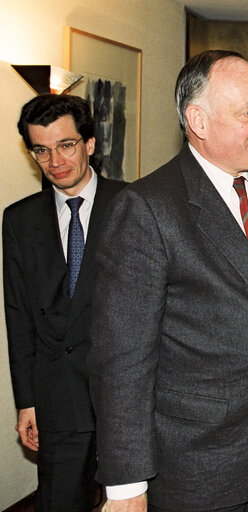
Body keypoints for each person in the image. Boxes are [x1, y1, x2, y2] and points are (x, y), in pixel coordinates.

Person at [87, 50, 248, 511]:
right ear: (199, 120)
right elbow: (122, 360)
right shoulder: (147, 209)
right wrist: (127, 486)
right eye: (247, 112)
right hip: (200, 466)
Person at [3, 94, 126, 511]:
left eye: (66, 145)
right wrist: (27, 401)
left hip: (125, 396)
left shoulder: (134, 206)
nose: (55, 160)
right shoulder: (19, 221)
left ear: (90, 143)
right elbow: (18, 316)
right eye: (41, 149)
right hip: (58, 399)